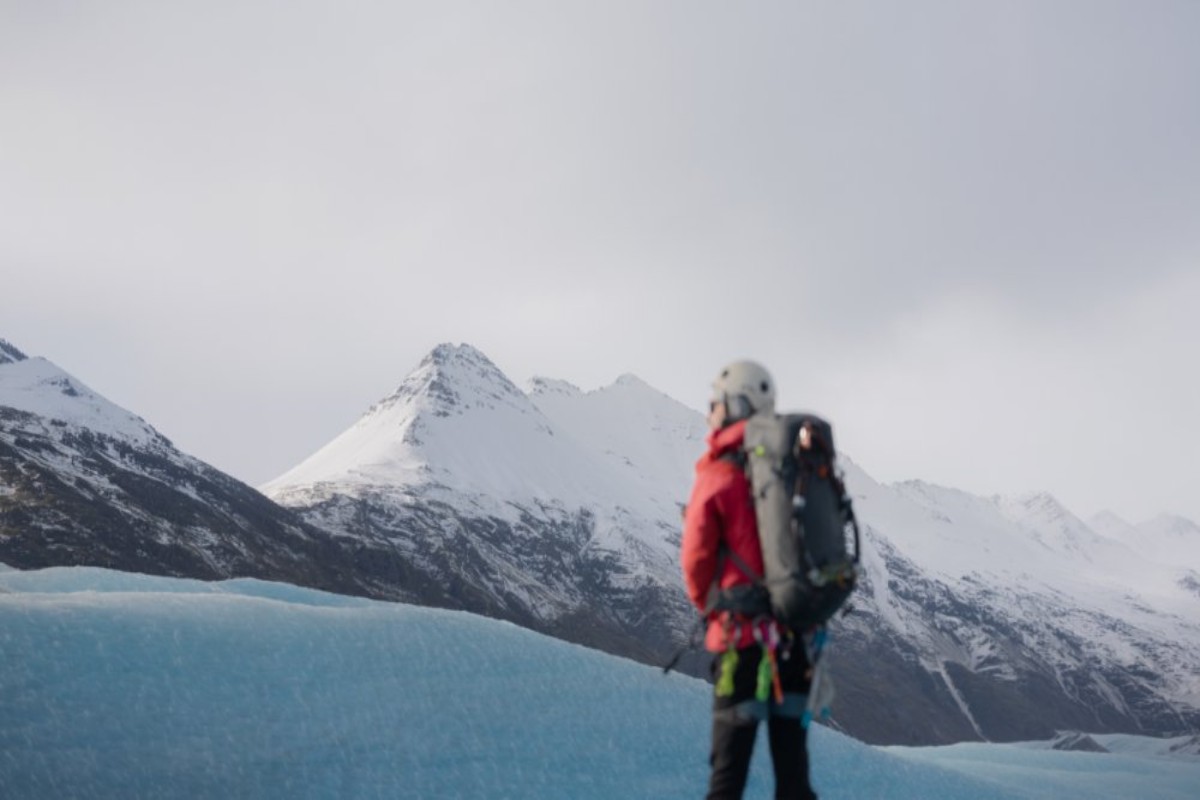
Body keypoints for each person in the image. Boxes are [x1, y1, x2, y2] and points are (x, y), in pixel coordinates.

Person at [681, 360, 817, 800]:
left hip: (741, 642)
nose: (709, 413)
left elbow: (697, 560)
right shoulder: (795, 467)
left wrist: (714, 610)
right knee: (793, 777)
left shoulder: (718, 473)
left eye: (714, 403)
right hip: (795, 646)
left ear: (736, 404)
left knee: (728, 776)